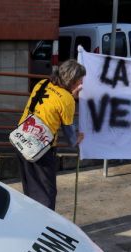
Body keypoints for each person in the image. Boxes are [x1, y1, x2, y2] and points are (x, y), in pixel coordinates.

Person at [16, 59, 85, 210]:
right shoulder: (67, 100)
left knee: (31, 188)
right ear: (72, 81)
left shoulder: (42, 83)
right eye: (80, 81)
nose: (81, 85)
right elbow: (70, 138)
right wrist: (77, 138)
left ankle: (30, 219)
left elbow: (48, 105)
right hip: (40, 148)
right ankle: (43, 226)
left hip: (21, 138)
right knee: (47, 193)